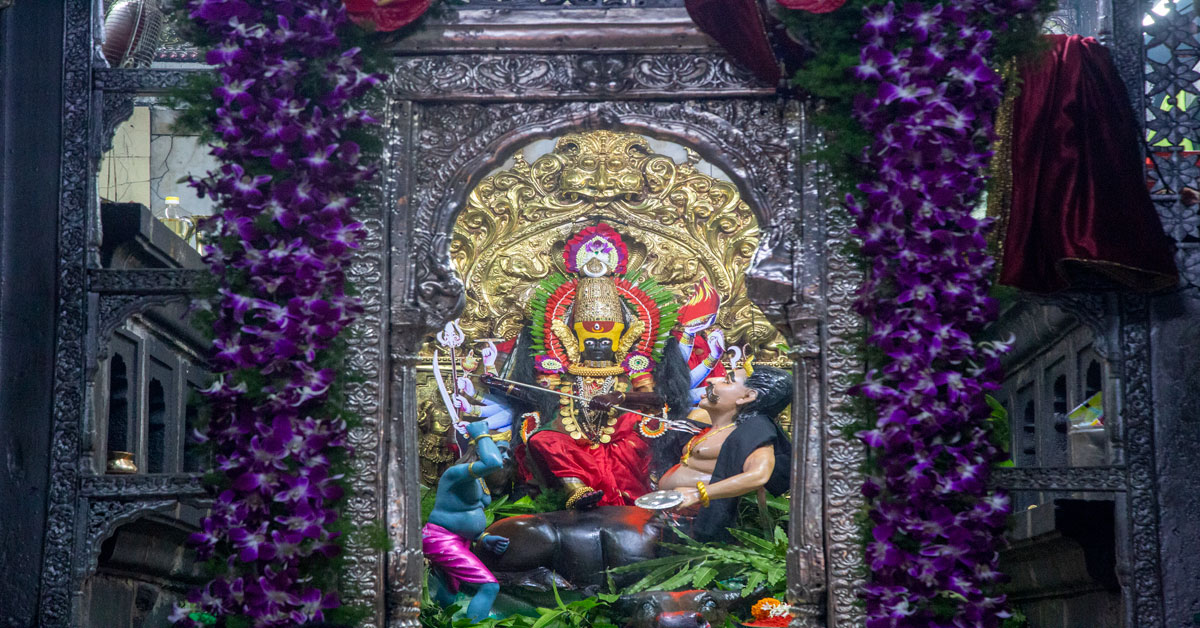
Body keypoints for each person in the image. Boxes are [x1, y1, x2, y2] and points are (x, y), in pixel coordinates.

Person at [661, 362, 792, 541]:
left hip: (698, 527)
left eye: (727, 381)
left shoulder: (753, 432)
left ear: (747, 397)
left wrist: (698, 494)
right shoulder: (703, 423)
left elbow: (759, 475)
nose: (712, 380)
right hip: (668, 516)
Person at [422, 421, 512, 621]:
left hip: (459, 540)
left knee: (450, 591)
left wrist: (482, 537)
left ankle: (438, 621)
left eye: (507, 452)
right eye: (500, 450)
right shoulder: (456, 473)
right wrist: (481, 434)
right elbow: (494, 462)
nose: (505, 457)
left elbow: (464, 513)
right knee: (489, 586)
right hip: (440, 539)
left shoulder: (479, 479)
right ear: (480, 449)